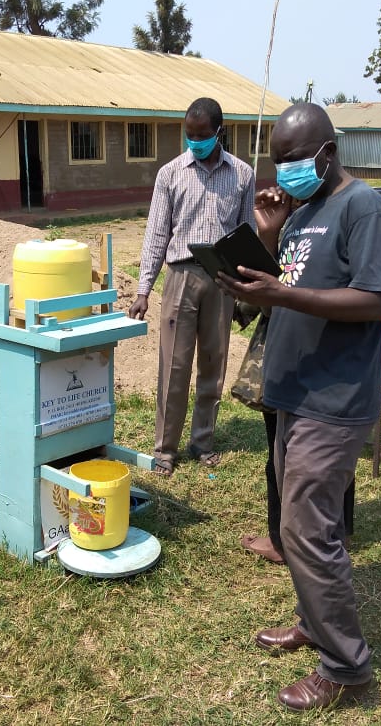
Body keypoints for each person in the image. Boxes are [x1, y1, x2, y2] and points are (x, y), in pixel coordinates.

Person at [218, 103, 381, 711]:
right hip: (292, 393)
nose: (287, 170)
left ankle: (345, 667)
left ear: (328, 150)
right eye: (279, 159)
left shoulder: (364, 209)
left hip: (334, 398)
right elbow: (283, 294)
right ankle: (313, 620)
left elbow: (374, 300)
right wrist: (267, 241)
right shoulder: (301, 214)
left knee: (307, 528)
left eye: (297, 158)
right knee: (299, 528)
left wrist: (282, 290)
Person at [129, 97, 255, 477]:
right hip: (181, 277)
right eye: (189, 135)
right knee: (175, 366)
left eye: (202, 136)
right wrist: (143, 290)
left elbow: (245, 232)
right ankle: (165, 449)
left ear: (220, 132)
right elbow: (156, 234)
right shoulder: (170, 174)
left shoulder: (243, 175)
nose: (195, 142)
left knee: (213, 365)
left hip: (221, 280)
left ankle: (203, 441)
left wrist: (245, 287)